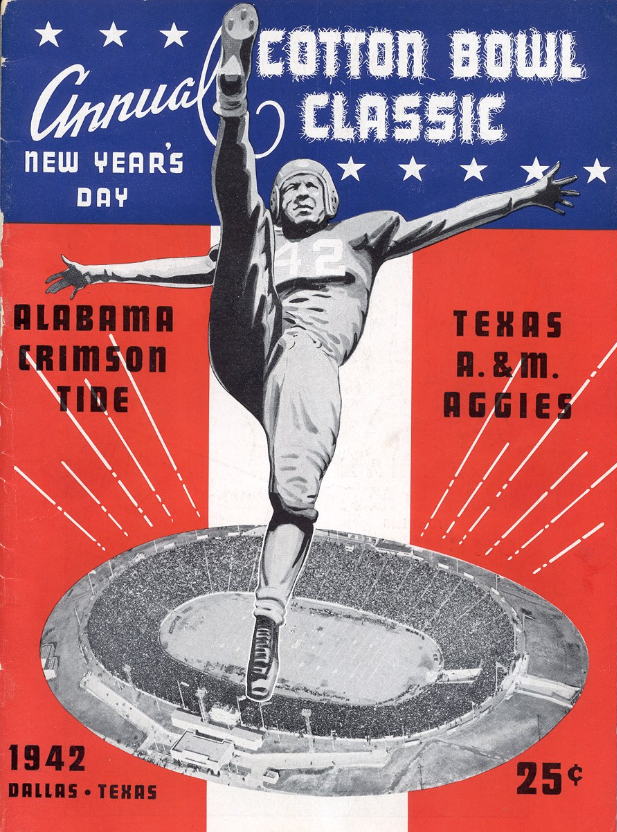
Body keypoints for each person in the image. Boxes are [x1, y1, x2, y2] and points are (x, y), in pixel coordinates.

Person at [46, 3, 579, 703]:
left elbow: (445, 220)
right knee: (239, 232)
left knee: (295, 500)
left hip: (309, 360)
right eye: (288, 184)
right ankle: (233, 102)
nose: (298, 191)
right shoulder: (269, 239)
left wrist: (524, 195)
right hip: (250, 339)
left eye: (309, 186)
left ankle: (268, 616)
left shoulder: (366, 232)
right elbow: (190, 266)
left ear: (330, 200)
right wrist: (104, 274)